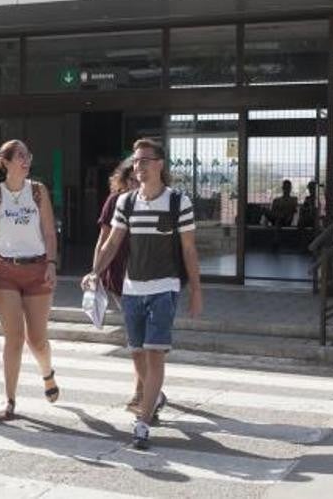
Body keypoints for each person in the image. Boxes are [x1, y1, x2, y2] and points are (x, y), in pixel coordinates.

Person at [84, 138, 203, 450]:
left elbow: (189, 250)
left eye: (146, 161)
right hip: (132, 290)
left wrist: (196, 291)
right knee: (137, 353)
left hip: (164, 289)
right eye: (136, 162)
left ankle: (143, 423)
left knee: (153, 353)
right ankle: (156, 394)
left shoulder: (179, 202)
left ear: (160, 164)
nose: (139, 167)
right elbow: (111, 243)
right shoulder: (127, 202)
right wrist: (95, 272)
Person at [0, 139, 60, 421]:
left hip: (37, 269)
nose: (26, 160)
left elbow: (49, 231)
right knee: (14, 337)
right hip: (4, 270)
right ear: (6, 162)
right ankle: (9, 400)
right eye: (20, 156)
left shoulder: (37, 191)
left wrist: (51, 262)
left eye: (28, 155)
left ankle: (47, 373)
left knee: (37, 340)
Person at [93, 158, 143, 413]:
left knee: (144, 339)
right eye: (131, 178)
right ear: (123, 179)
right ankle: (142, 390)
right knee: (136, 335)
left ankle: (147, 387)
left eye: (140, 178)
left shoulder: (160, 201)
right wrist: (95, 272)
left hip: (153, 279)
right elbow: (104, 240)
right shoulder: (115, 202)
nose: (136, 183)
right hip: (121, 278)